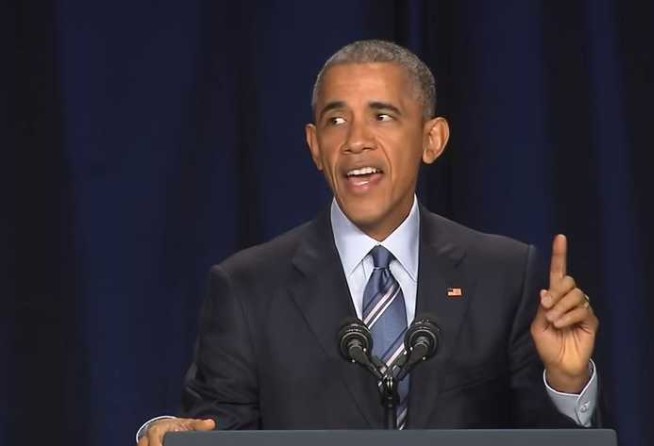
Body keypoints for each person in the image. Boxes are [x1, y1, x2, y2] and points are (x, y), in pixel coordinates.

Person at [136, 40, 600, 446]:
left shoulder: (504, 275)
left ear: (432, 139)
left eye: (382, 115)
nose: (356, 141)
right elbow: (212, 433)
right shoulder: (246, 288)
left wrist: (567, 384)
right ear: (315, 146)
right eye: (336, 120)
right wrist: (169, 435)